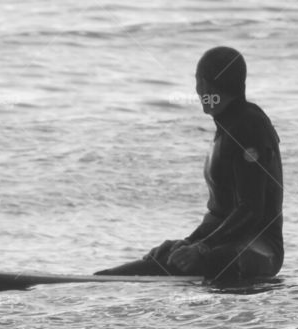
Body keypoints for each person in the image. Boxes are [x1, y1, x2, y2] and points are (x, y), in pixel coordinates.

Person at [95, 47, 283, 282]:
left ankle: (106, 282)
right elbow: (221, 214)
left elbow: (251, 210)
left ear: (203, 85)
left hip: (261, 250)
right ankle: (106, 279)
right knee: (161, 260)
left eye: (197, 82)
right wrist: (188, 242)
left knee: (212, 261)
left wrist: (202, 248)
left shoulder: (248, 127)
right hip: (225, 243)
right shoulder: (230, 124)